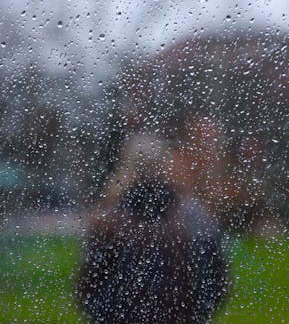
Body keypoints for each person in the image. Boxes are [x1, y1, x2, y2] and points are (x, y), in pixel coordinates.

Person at [77, 134, 229, 324]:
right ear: (166, 166)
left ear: (126, 167)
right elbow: (215, 286)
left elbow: (88, 289)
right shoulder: (196, 219)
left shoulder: (109, 222)